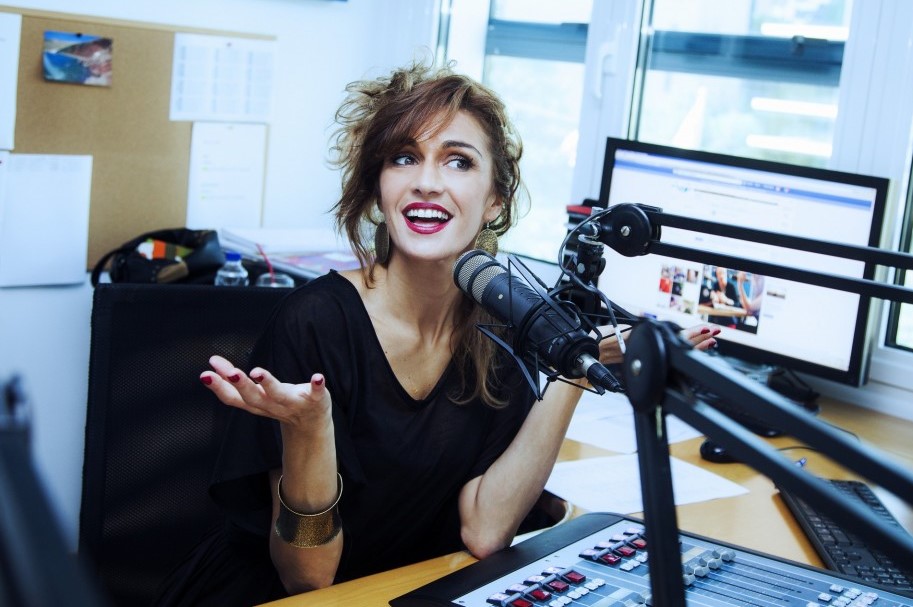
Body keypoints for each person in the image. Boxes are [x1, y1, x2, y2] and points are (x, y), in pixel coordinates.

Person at [154, 60, 718, 606]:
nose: (426, 182)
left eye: (458, 162)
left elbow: (486, 530)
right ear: (379, 190)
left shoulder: (503, 324)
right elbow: (308, 579)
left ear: (494, 200)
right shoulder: (314, 321)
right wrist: (310, 430)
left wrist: (575, 366)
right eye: (404, 158)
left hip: (409, 590)